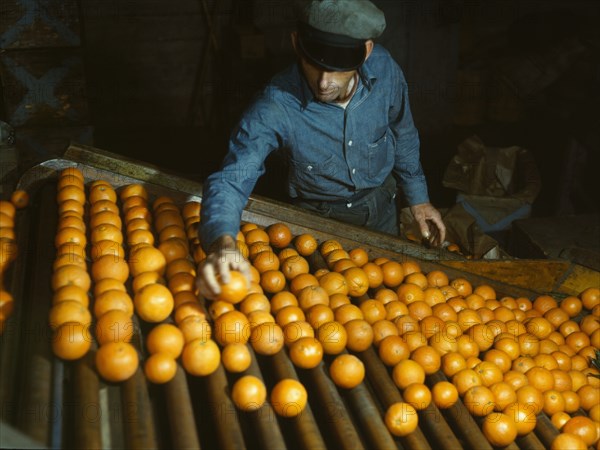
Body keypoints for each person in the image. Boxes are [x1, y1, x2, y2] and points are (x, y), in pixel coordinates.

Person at [197, 0, 446, 299]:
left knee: (385, 301)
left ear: (366, 52)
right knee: (322, 307)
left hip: (381, 212)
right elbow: (233, 177)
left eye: (337, 68)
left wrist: (419, 200)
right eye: (313, 63)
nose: (324, 82)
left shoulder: (385, 70)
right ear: (296, 43)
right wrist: (222, 241)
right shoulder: (275, 106)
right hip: (316, 227)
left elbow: (403, 133)